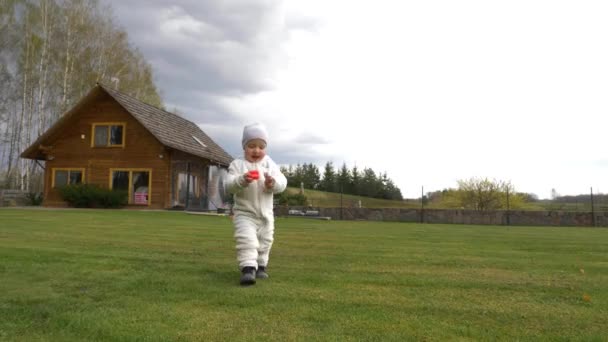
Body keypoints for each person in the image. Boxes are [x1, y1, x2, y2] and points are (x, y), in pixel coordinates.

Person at [225, 123, 287, 285]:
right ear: (244, 146)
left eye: (261, 146)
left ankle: (261, 267)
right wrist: (241, 180)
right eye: (251, 146)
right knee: (247, 239)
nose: (256, 150)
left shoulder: (270, 164)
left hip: (266, 214)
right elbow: (229, 185)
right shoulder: (237, 165)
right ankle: (247, 269)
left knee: (265, 240)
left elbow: (282, 183)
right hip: (244, 213)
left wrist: (272, 183)